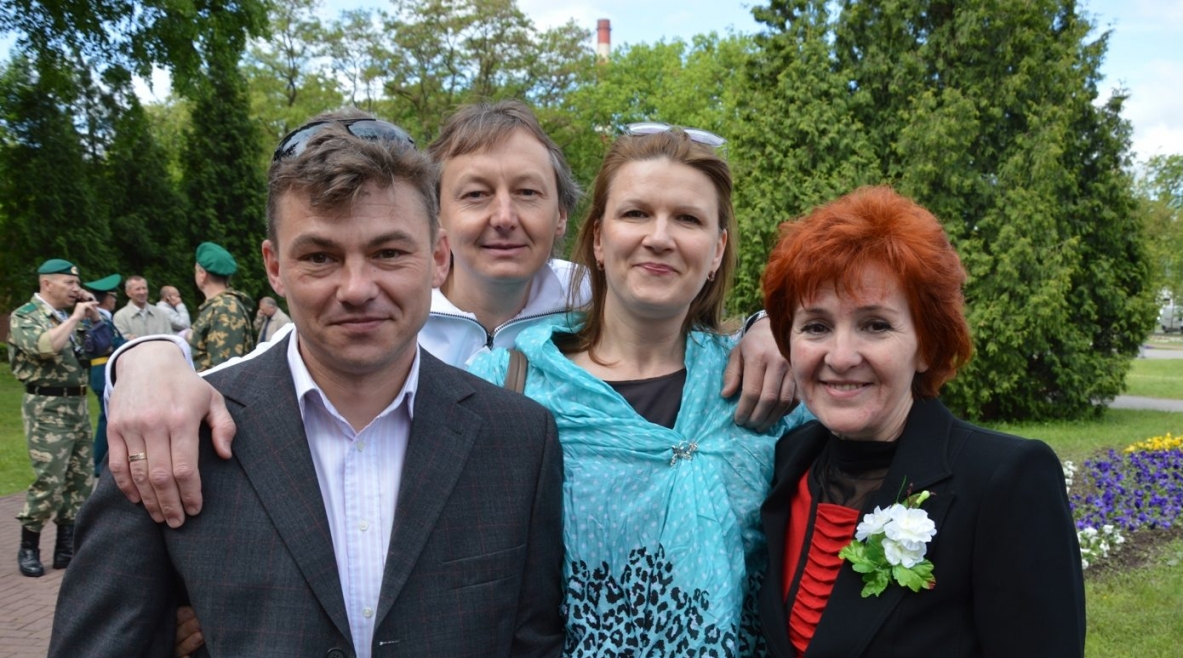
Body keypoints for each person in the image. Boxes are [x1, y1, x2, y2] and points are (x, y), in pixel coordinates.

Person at [34, 116, 567, 658]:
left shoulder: (517, 441)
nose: (357, 287)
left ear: (438, 257)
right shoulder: (178, 436)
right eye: (319, 256)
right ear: (274, 266)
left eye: (389, 252)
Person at [101, 100, 794, 528]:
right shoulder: (380, 316)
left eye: (528, 193)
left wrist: (767, 327)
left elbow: (680, 313)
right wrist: (145, 358)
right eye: (476, 194)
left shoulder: (591, 300)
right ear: (438, 225)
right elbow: (260, 376)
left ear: (563, 217)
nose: (503, 217)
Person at [469, 126, 801, 658]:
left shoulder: (767, 385)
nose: (659, 237)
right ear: (596, 237)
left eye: (688, 219)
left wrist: (776, 326)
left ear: (717, 248)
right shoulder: (509, 387)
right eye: (636, 213)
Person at [756, 186, 1093, 658]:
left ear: (927, 344)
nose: (840, 355)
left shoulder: (1002, 482)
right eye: (816, 325)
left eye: (875, 325)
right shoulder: (792, 463)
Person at [7, 259, 98, 577]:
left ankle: (66, 548)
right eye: (69, 283)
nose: (76, 289)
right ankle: (28, 546)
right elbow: (45, 347)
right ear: (47, 284)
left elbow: (101, 348)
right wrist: (75, 317)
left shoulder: (70, 316)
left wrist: (94, 316)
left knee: (80, 481)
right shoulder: (26, 316)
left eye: (77, 283)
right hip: (47, 407)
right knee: (50, 480)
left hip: (77, 406)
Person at [81, 274, 128, 477]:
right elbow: (108, 343)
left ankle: (102, 460)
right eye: (113, 296)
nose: (114, 300)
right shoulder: (96, 318)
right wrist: (127, 343)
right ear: (106, 298)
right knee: (106, 418)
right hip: (102, 370)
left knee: (108, 416)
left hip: (106, 370)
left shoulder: (104, 317)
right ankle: (98, 462)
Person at [185, 241, 256, 369]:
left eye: (196, 270)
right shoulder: (218, 306)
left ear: (202, 275)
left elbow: (224, 370)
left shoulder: (226, 308)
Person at [112, 275, 172, 340]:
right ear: (128, 293)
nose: (142, 292)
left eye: (144, 288)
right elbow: (120, 342)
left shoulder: (160, 314)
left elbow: (170, 338)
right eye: (138, 289)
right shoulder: (120, 317)